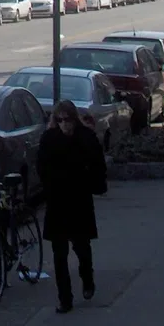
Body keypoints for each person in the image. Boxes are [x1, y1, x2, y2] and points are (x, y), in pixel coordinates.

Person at [38, 99, 106, 314]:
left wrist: (94, 183)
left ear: (74, 119)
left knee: (82, 247)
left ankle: (87, 280)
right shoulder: (49, 139)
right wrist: (49, 187)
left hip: (79, 200)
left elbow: (98, 164)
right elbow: (41, 167)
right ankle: (64, 298)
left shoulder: (85, 137)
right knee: (59, 254)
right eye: (60, 120)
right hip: (58, 201)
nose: (64, 124)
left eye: (68, 120)